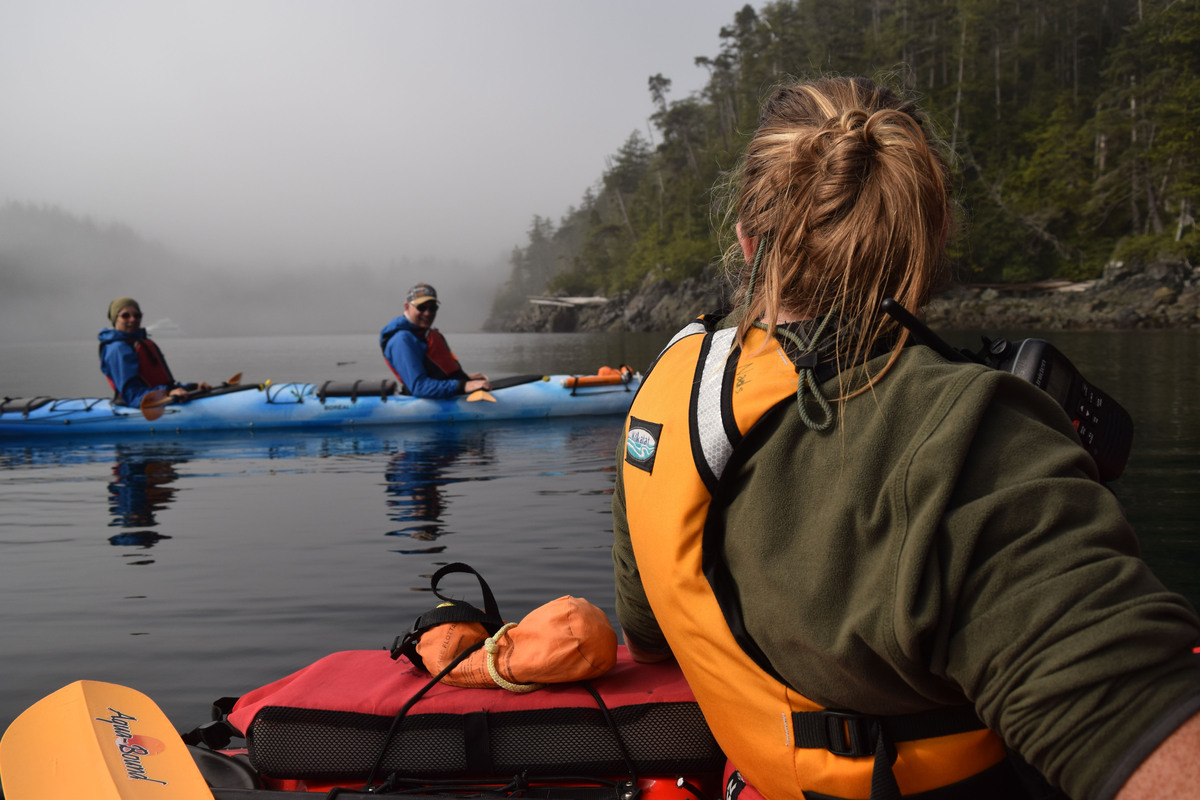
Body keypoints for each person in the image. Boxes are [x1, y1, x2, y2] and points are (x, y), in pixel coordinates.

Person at [611, 76, 1200, 800]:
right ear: (936, 232)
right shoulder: (976, 445)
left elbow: (645, 634)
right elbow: (1137, 725)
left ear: (745, 238)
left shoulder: (664, 391)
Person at [379, 283, 489, 398]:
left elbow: (435, 373)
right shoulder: (401, 340)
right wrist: (462, 385)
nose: (427, 313)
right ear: (407, 307)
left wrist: (465, 379)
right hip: (423, 403)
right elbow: (419, 387)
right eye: (421, 307)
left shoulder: (421, 332)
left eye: (432, 308)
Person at [98, 297, 210, 407]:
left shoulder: (137, 342)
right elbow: (132, 395)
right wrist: (166, 393)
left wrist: (191, 387)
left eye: (137, 315)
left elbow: (162, 384)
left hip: (158, 398)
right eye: (125, 315)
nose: (132, 319)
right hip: (140, 404)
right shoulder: (117, 349)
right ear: (115, 319)